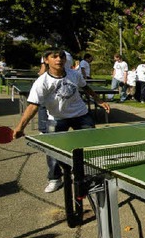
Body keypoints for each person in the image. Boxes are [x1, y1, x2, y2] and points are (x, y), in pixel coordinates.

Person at [13, 49, 110, 193]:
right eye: (54, 57)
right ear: (46, 60)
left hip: (81, 115)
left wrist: (99, 100)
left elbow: (85, 87)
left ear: (65, 60)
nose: (59, 59)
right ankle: (55, 179)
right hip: (57, 118)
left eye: (62, 56)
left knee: (90, 145)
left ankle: (90, 176)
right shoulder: (42, 82)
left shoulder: (74, 74)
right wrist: (20, 127)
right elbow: (33, 106)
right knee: (52, 150)